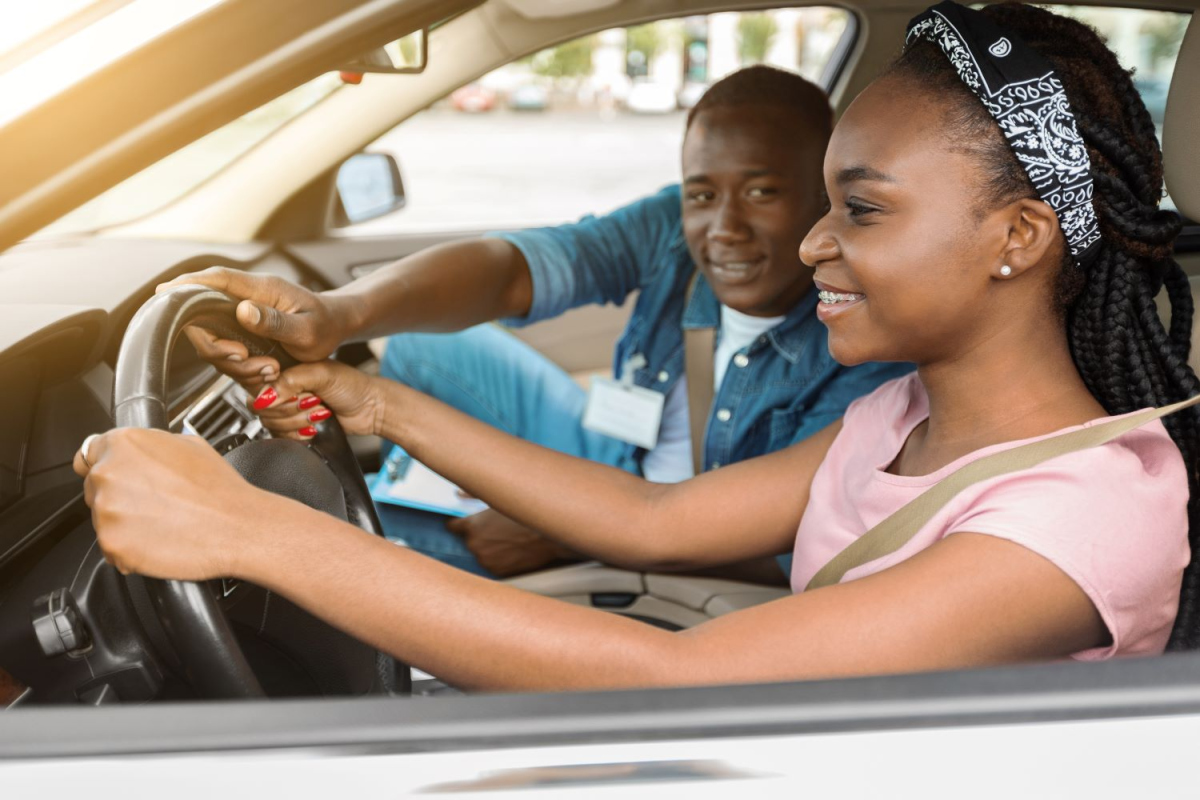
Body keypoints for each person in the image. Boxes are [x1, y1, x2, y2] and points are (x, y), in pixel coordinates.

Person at [79, 1, 1200, 691]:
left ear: (1018, 237)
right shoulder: (906, 417)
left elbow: (678, 670)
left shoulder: (1082, 513)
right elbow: (654, 520)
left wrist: (247, 528)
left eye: (859, 211)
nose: (810, 243)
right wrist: (375, 405)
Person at [162, 65, 911, 579]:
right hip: (624, 453)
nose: (722, 227)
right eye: (701, 194)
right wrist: (340, 313)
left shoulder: (865, 347)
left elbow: (774, 549)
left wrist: (557, 535)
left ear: (823, 195)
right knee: (417, 346)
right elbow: (513, 268)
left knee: (379, 537)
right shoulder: (668, 229)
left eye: (762, 192)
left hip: (686, 530)